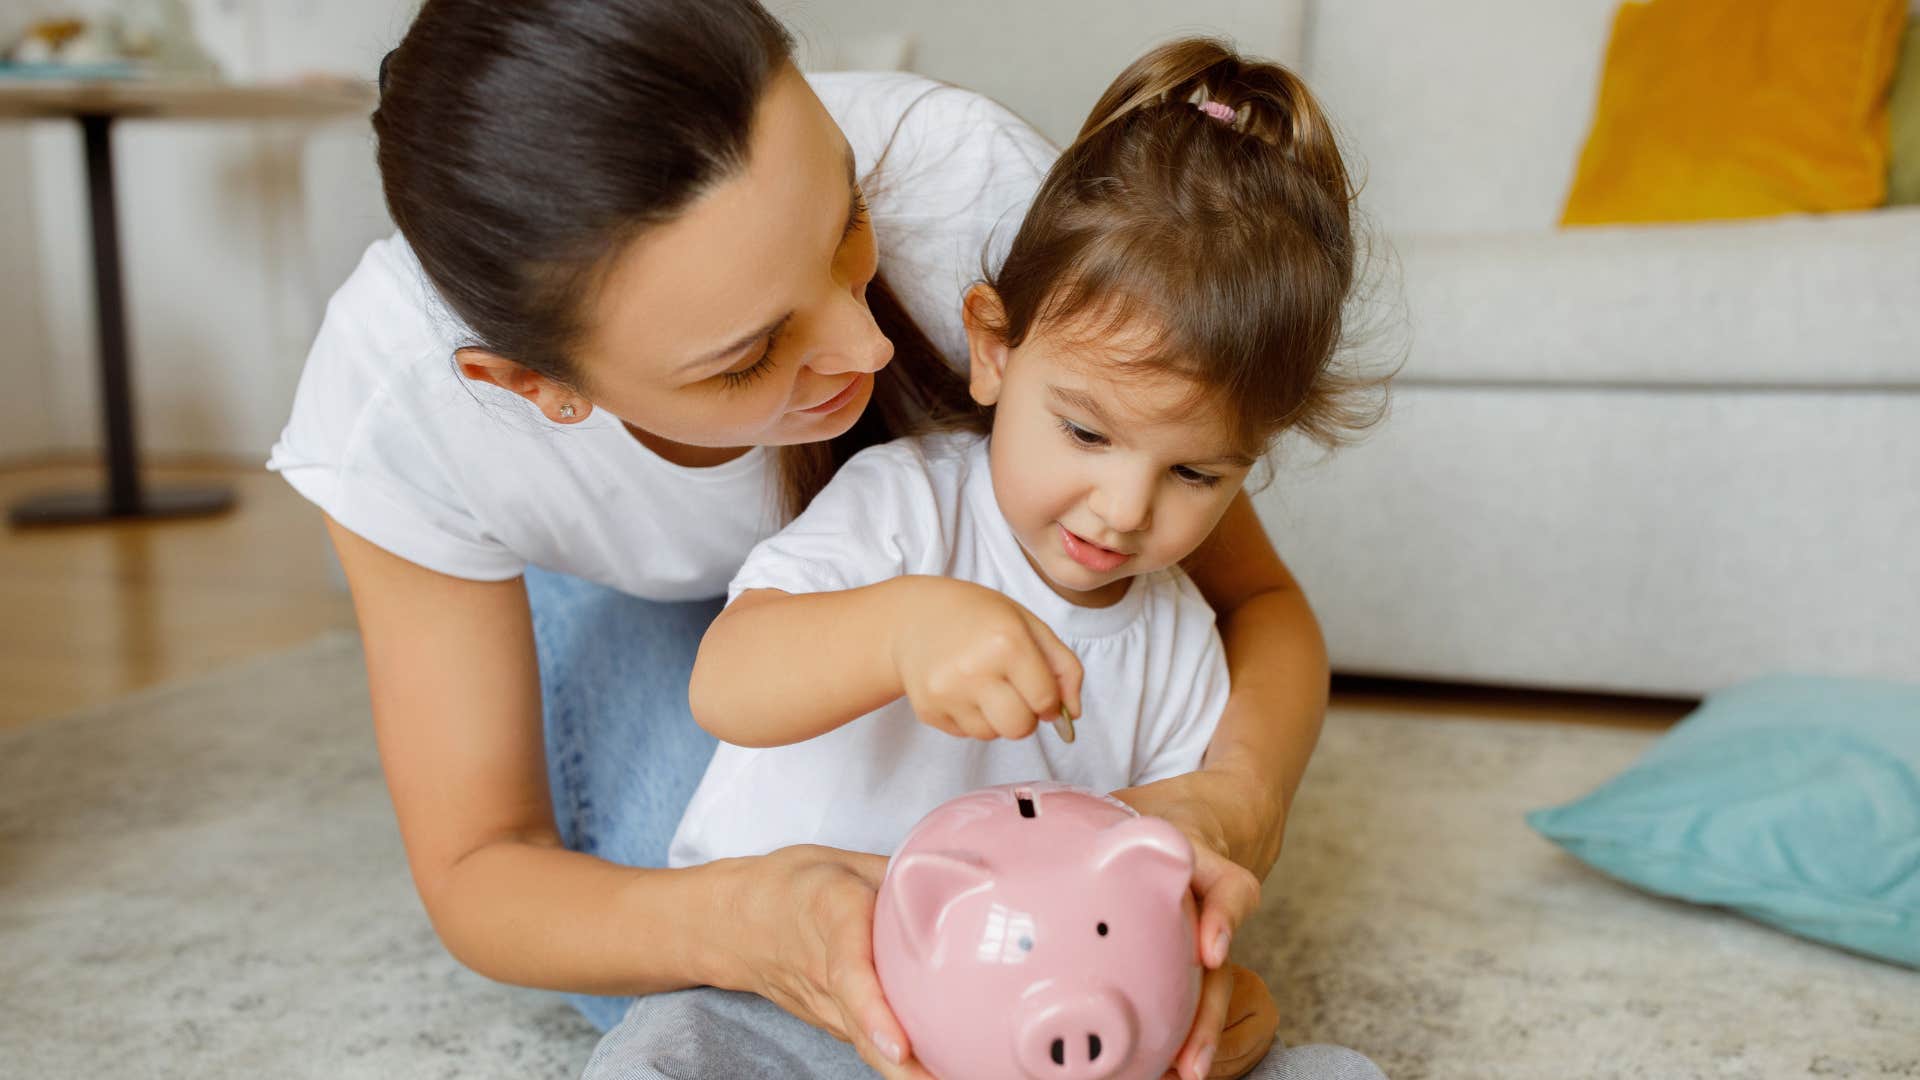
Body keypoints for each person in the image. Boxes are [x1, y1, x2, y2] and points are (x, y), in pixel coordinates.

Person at [269, 2, 1358, 1077]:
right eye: (748, 354)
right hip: (668, 609)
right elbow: (484, 867)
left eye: (846, 225)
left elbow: (1251, 602)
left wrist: (1227, 823)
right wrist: (747, 923)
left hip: (883, 586)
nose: (868, 345)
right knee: (756, 927)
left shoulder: (964, 187)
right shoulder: (401, 409)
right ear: (534, 385)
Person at [580, 37, 1389, 1080]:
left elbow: (1175, 879)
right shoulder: (907, 506)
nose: (1125, 509)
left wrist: (1198, 985)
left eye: (1196, 474)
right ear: (994, 349)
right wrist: (900, 629)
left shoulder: (1180, 641)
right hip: (799, 994)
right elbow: (727, 685)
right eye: (1086, 433)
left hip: (1041, 1039)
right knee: (662, 1054)